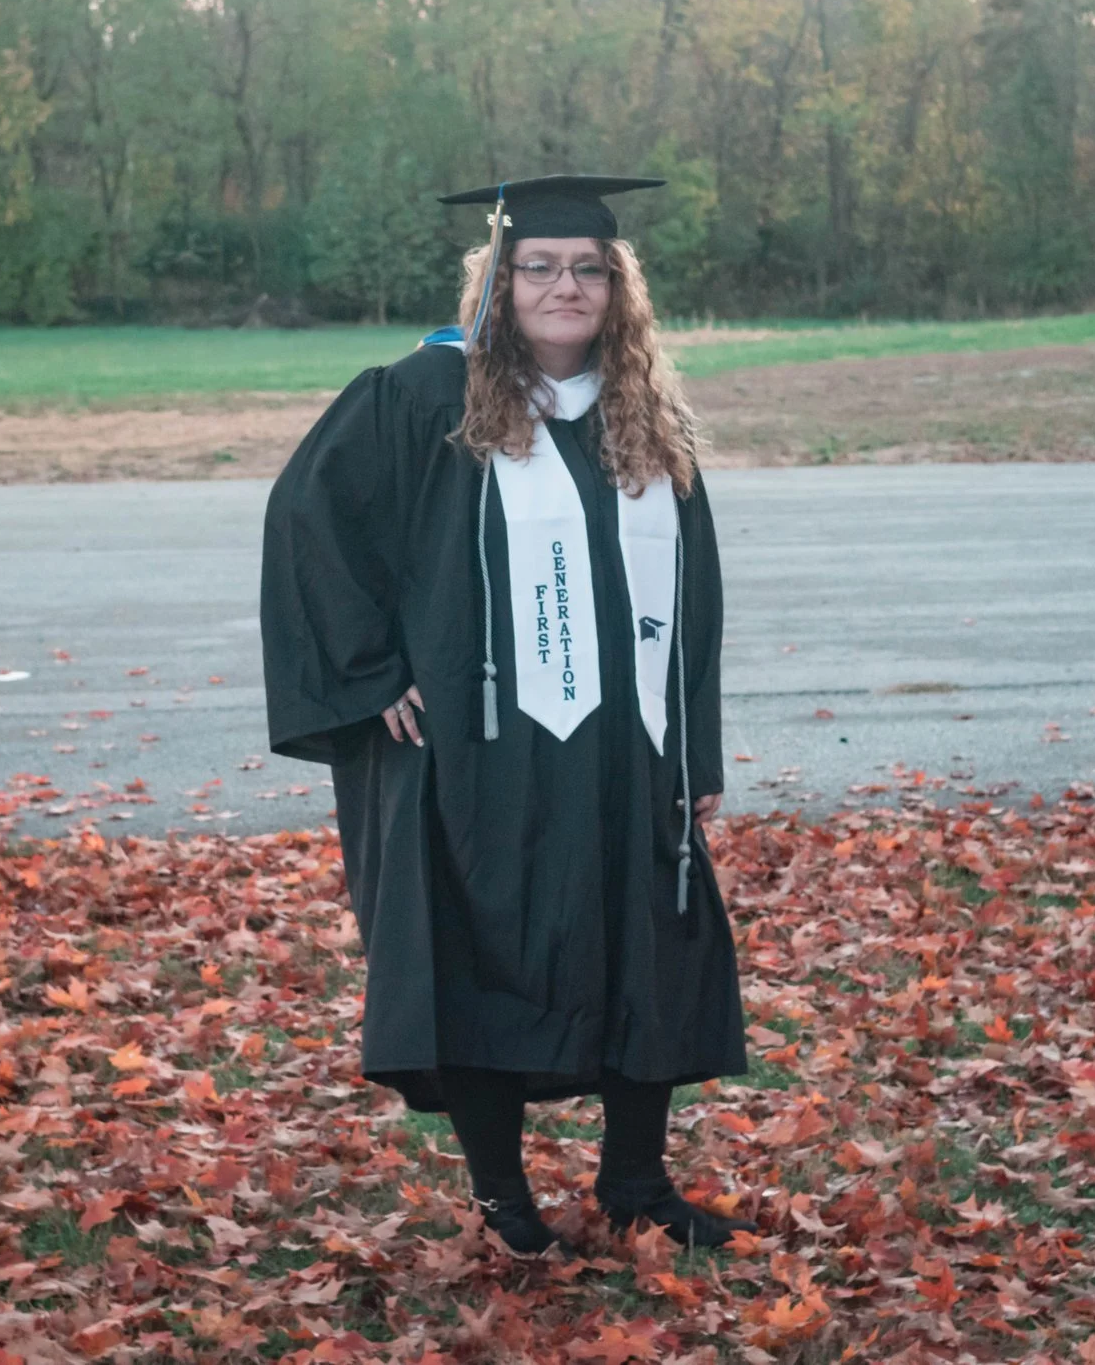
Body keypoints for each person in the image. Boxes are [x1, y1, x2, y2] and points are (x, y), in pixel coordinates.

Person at [260, 174, 748, 1255]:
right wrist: (369, 670)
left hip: (627, 749)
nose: (563, 285)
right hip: (479, 754)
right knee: (474, 953)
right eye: (539, 266)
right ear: (499, 279)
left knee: (642, 946)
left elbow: (695, 598)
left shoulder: (642, 419)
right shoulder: (426, 399)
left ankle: (632, 1181)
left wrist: (694, 739)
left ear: (617, 288)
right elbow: (311, 524)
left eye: (587, 268)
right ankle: (502, 1197)